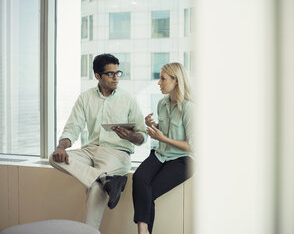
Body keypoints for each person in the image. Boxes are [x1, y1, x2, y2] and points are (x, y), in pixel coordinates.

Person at [49, 53, 147, 229]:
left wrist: (130, 137)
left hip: (117, 153)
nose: (116, 77)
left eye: (118, 73)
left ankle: (88, 231)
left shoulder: (128, 99)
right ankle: (106, 178)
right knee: (53, 158)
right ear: (97, 76)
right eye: (110, 74)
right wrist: (61, 147)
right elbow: (72, 128)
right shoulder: (85, 98)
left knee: (96, 189)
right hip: (91, 150)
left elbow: (142, 136)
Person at [132, 62, 194, 234]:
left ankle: (143, 231)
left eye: (162, 79)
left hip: (183, 159)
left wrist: (163, 138)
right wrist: (154, 125)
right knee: (138, 178)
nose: (159, 82)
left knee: (148, 192)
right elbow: (167, 131)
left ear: (176, 81)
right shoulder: (162, 104)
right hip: (161, 154)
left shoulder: (189, 108)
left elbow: (192, 146)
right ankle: (143, 230)